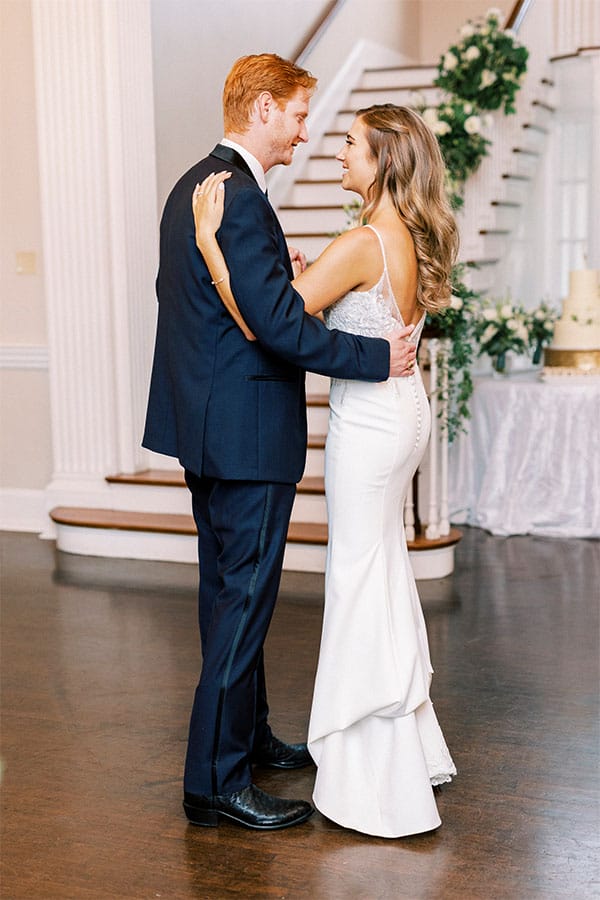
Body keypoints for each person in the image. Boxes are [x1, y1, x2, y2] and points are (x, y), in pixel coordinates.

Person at [142, 56, 418, 833]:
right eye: (299, 116)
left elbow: (229, 300)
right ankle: (216, 782)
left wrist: (276, 275)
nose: (306, 133)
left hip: (212, 427)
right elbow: (277, 326)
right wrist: (374, 358)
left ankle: (248, 736)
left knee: (231, 596)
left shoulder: (203, 185)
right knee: (241, 601)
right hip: (247, 433)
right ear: (264, 109)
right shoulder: (233, 196)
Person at [192, 103, 458, 838]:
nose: (337, 153)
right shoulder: (397, 235)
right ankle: (400, 739)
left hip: (368, 427)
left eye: (350, 145)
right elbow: (326, 309)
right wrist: (311, 283)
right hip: (401, 412)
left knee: (357, 577)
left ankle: (374, 766)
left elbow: (269, 326)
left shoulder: (361, 239)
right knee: (383, 570)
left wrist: (214, 251)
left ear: (383, 164)